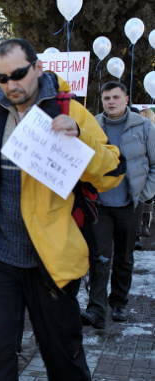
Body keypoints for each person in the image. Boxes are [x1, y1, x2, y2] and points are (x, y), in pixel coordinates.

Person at [0, 38, 124, 381]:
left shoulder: (70, 110)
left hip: (52, 262)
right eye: (2, 78)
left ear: (38, 68)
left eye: (18, 74)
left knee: (65, 360)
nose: (11, 84)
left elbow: (111, 175)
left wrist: (80, 139)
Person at [81, 81, 155, 328]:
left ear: (126, 99)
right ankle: (96, 309)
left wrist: (144, 193)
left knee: (124, 257)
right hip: (99, 205)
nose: (110, 102)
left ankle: (119, 303)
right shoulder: (92, 125)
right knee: (100, 257)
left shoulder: (143, 126)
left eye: (115, 97)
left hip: (129, 204)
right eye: (106, 98)